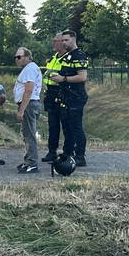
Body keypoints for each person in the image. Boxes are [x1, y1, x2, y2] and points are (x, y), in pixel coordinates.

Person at [49, 29, 89, 167]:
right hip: (65, 96)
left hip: (76, 97)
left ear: (73, 39)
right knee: (67, 128)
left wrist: (63, 78)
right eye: (63, 40)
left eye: (67, 40)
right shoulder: (67, 56)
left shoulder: (79, 55)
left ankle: (80, 155)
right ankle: (68, 153)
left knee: (76, 127)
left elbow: (82, 77)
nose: (64, 43)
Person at [13, 48, 43, 174]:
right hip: (30, 104)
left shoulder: (30, 68)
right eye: (15, 57)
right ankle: (28, 161)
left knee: (29, 134)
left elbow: (28, 90)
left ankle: (32, 163)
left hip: (29, 105)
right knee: (27, 134)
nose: (16, 60)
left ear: (28, 57)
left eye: (19, 57)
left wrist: (21, 110)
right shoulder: (29, 68)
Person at [41, 34, 67, 162]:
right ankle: (52, 151)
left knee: (66, 125)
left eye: (55, 41)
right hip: (51, 93)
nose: (53, 43)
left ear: (62, 42)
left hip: (62, 92)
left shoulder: (67, 59)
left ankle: (68, 152)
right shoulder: (53, 59)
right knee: (52, 125)